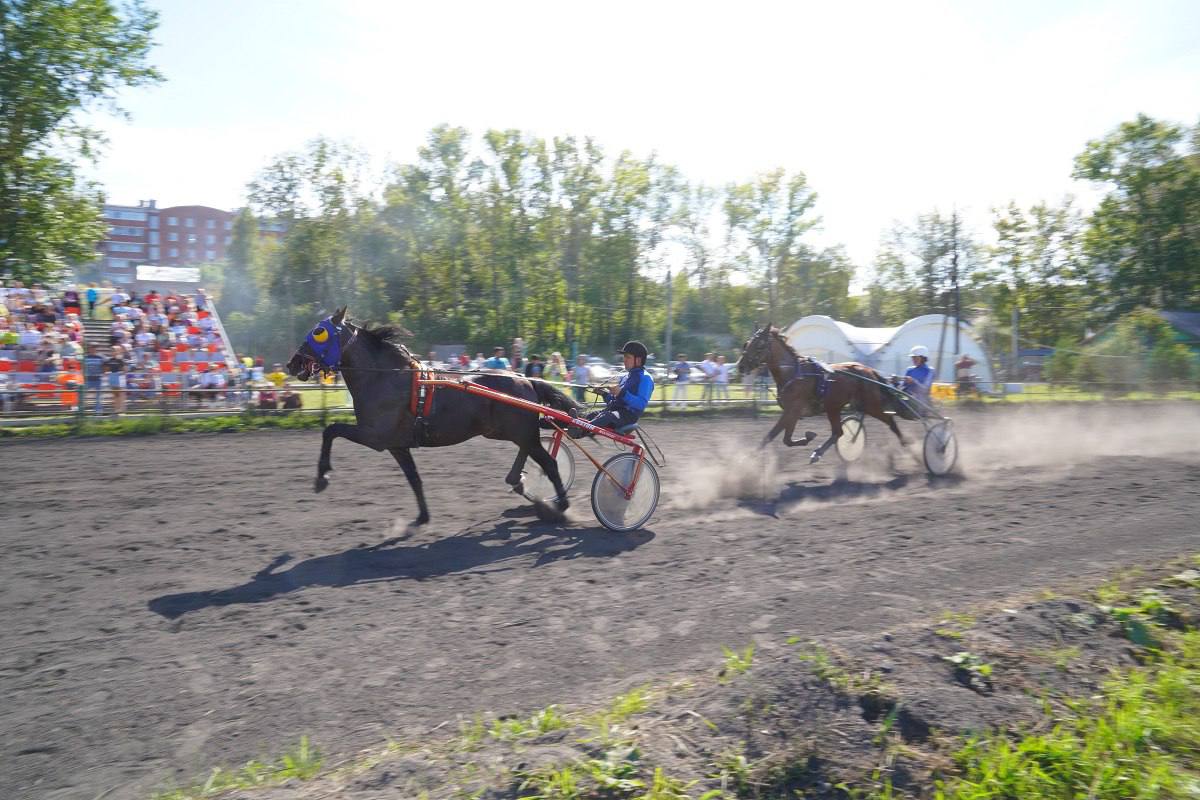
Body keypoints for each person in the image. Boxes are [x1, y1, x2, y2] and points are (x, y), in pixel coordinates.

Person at [570, 341, 654, 438]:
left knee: (607, 417)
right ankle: (572, 424)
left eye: (628, 357)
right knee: (590, 415)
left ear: (638, 360)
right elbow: (614, 402)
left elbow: (641, 404)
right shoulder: (626, 377)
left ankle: (580, 432)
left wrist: (621, 393)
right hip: (614, 413)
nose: (624, 360)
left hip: (627, 418)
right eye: (624, 357)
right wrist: (604, 394)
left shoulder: (646, 378)